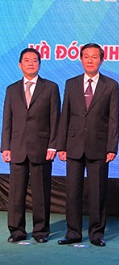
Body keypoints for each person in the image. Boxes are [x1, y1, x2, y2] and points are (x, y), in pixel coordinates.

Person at [57, 43, 119, 247]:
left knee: (98, 192)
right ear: (81, 59)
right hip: (73, 146)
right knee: (73, 192)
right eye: (86, 57)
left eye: (94, 57)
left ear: (101, 60)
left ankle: (96, 233)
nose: (90, 60)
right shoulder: (71, 83)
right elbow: (64, 115)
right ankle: (73, 232)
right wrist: (61, 146)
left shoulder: (111, 85)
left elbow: (113, 119)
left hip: (99, 147)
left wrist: (112, 147)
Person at [1, 48, 60, 244]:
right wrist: (5, 147)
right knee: (16, 194)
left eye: (34, 60)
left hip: (42, 148)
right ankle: (16, 231)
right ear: (20, 65)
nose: (31, 63)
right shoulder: (11, 89)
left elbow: (55, 119)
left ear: (39, 64)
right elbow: (7, 120)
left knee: (41, 193)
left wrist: (53, 145)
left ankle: (41, 231)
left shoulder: (50, 88)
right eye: (26, 60)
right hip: (17, 148)